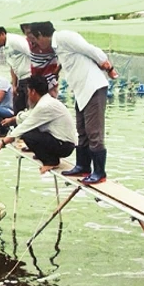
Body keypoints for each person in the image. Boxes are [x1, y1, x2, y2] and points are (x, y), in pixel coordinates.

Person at [30, 21, 118, 185]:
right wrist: (56, 73)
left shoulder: (64, 37)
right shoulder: (58, 46)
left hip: (93, 87)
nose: (37, 45)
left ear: (41, 35)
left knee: (94, 133)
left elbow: (91, 50)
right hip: (81, 91)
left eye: (35, 40)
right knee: (82, 131)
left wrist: (108, 67)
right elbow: (68, 59)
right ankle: (83, 166)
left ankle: (99, 172)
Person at [0, 75, 76, 174]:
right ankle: (48, 156)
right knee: (29, 131)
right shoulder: (45, 101)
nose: (27, 95)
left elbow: (24, 127)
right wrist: (12, 120)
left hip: (64, 146)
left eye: (28, 92)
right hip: (62, 142)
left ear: (33, 91)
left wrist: (1, 144)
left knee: (27, 135)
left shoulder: (44, 106)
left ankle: (51, 161)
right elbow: (27, 116)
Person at [0, 26, 31, 114]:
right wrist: (14, 85)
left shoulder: (15, 40)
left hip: (29, 77)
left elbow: (31, 54)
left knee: (29, 107)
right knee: (18, 108)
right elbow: (12, 66)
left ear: (2, 34)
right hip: (20, 80)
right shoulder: (5, 48)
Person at [20, 23, 60, 98]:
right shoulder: (26, 43)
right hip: (36, 79)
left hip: (50, 80)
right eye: (28, 33)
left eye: (33, 33)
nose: (32, 36)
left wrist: (56, 71)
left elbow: (63, 58)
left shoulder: (49, 43)